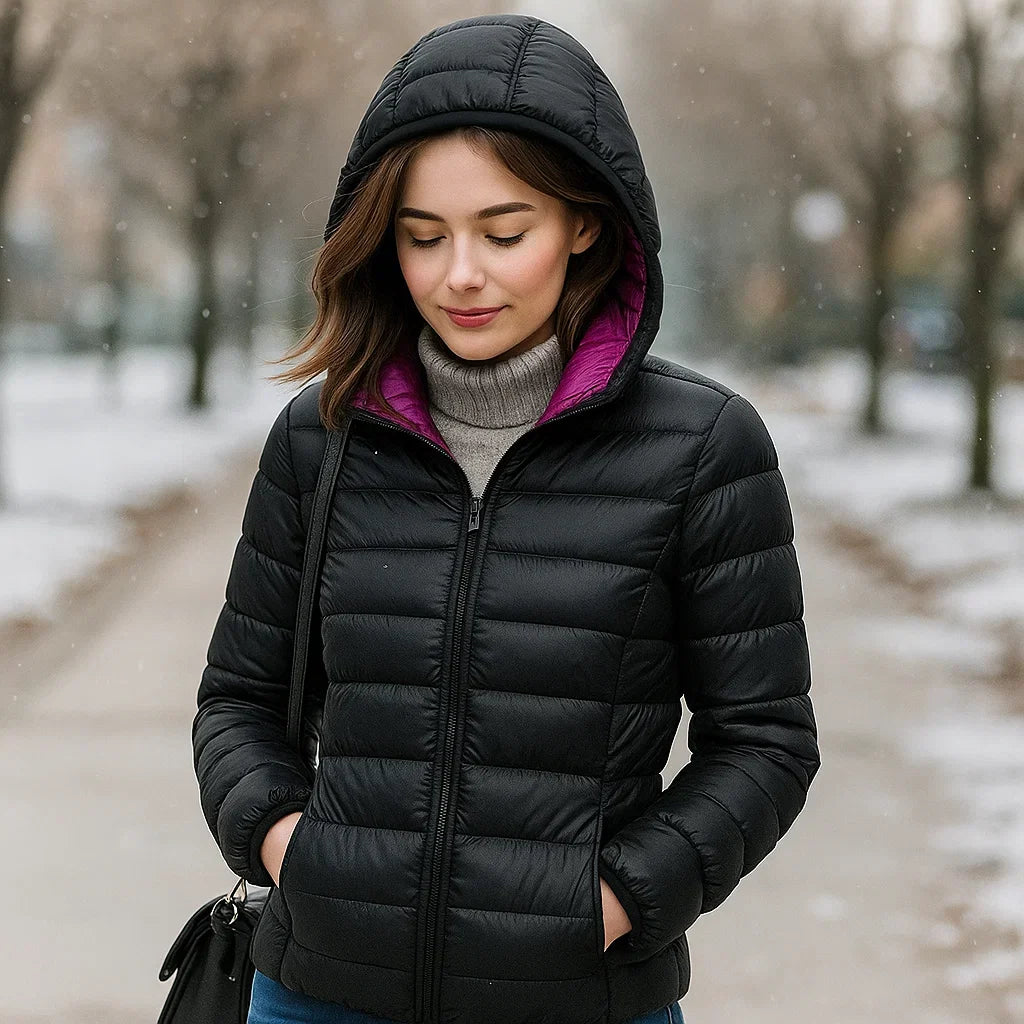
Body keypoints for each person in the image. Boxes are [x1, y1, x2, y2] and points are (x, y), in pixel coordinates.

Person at [191, 13, 820, 1024]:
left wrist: (614, 901)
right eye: (422, 236)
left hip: (575, 998)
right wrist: (289, 846)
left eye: (504, 232)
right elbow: (237, 700)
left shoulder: (702, 447)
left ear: (586, 223)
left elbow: (764, 742)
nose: (459, 274)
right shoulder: (321, 437)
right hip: (318, 993)